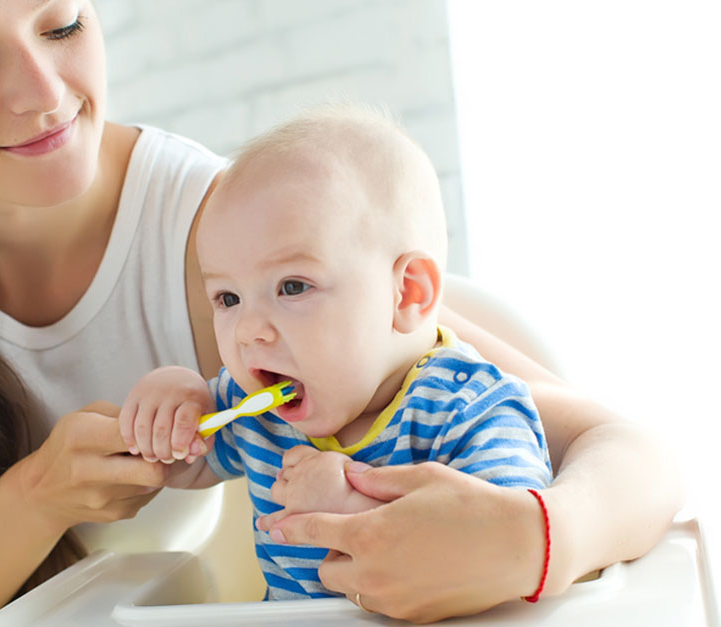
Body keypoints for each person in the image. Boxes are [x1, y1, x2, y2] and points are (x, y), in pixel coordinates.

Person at [0, 1, 682, 625]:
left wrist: (532, 538)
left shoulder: (227, 241)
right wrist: (41, 492)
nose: (45, 93)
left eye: (64, 24)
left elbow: (631, 454)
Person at [118, 105, 554, 602]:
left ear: (407, 294)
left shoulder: (472, 410)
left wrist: (351, 508)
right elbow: (190, 461)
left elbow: (503, 555)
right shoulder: (254, 406)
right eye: (228, 299)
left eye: (293, 286)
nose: (248, 331)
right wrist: (172, 411)